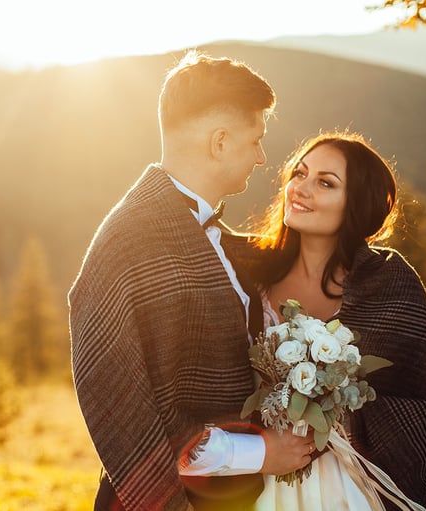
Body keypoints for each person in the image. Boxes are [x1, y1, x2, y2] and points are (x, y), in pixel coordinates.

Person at [68, 51, 315, 511]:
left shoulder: (211, 234)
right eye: (256, 140)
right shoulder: (127, 243)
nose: (262, 157)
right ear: (220, 142)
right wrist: (262, 452)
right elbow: (122, 415)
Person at [230, 130, 426, 510]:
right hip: (264, 468)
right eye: (300, 173)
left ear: (355, 203)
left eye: (325, 183)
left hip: (357, 479)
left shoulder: (388, 282)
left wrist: (335, 408)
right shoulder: (245, 270)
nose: (301, 188)